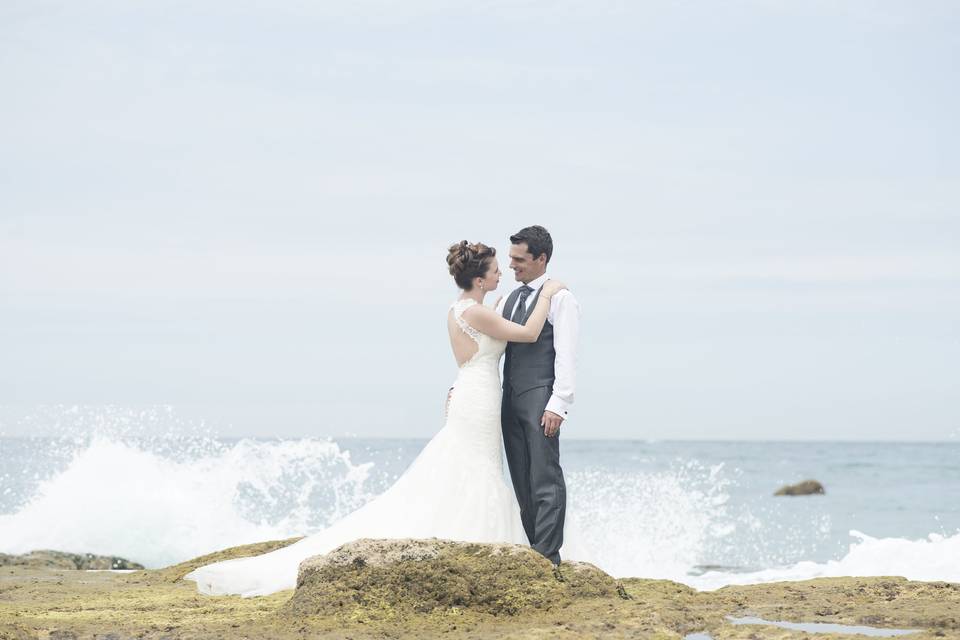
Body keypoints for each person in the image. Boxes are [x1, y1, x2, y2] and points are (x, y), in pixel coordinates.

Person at [183, 240, 566, 597]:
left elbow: (483, 337)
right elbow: (530, 333)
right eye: (497, 270)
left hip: (471, 390)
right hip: (478, 395)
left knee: (470, 465)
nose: (503, 274)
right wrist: (548, 293)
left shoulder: (461, 309)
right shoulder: (478, 312)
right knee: (477, 468)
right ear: (480, 279)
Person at [498, 225, 580, 565]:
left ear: (541, 258)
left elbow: (566, 353)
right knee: (521, 479)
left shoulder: (561, 298)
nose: (512, 266)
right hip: (509, 397)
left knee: (544, 477)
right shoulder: (508, 298)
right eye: (511, 258)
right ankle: (534, 551)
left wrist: (558, 404)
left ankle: (549, 555)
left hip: (540, 398)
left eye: (519, 259)